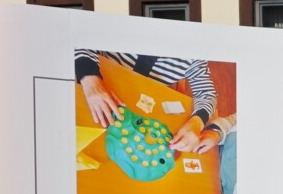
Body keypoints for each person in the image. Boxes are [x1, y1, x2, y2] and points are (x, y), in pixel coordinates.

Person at [74, 49, 229, 155]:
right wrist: (90, 79)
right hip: (95, 91)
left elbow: (207, 93)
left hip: (138, 108)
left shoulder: (194, 55)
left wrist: (197, 121)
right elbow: (79, 40)